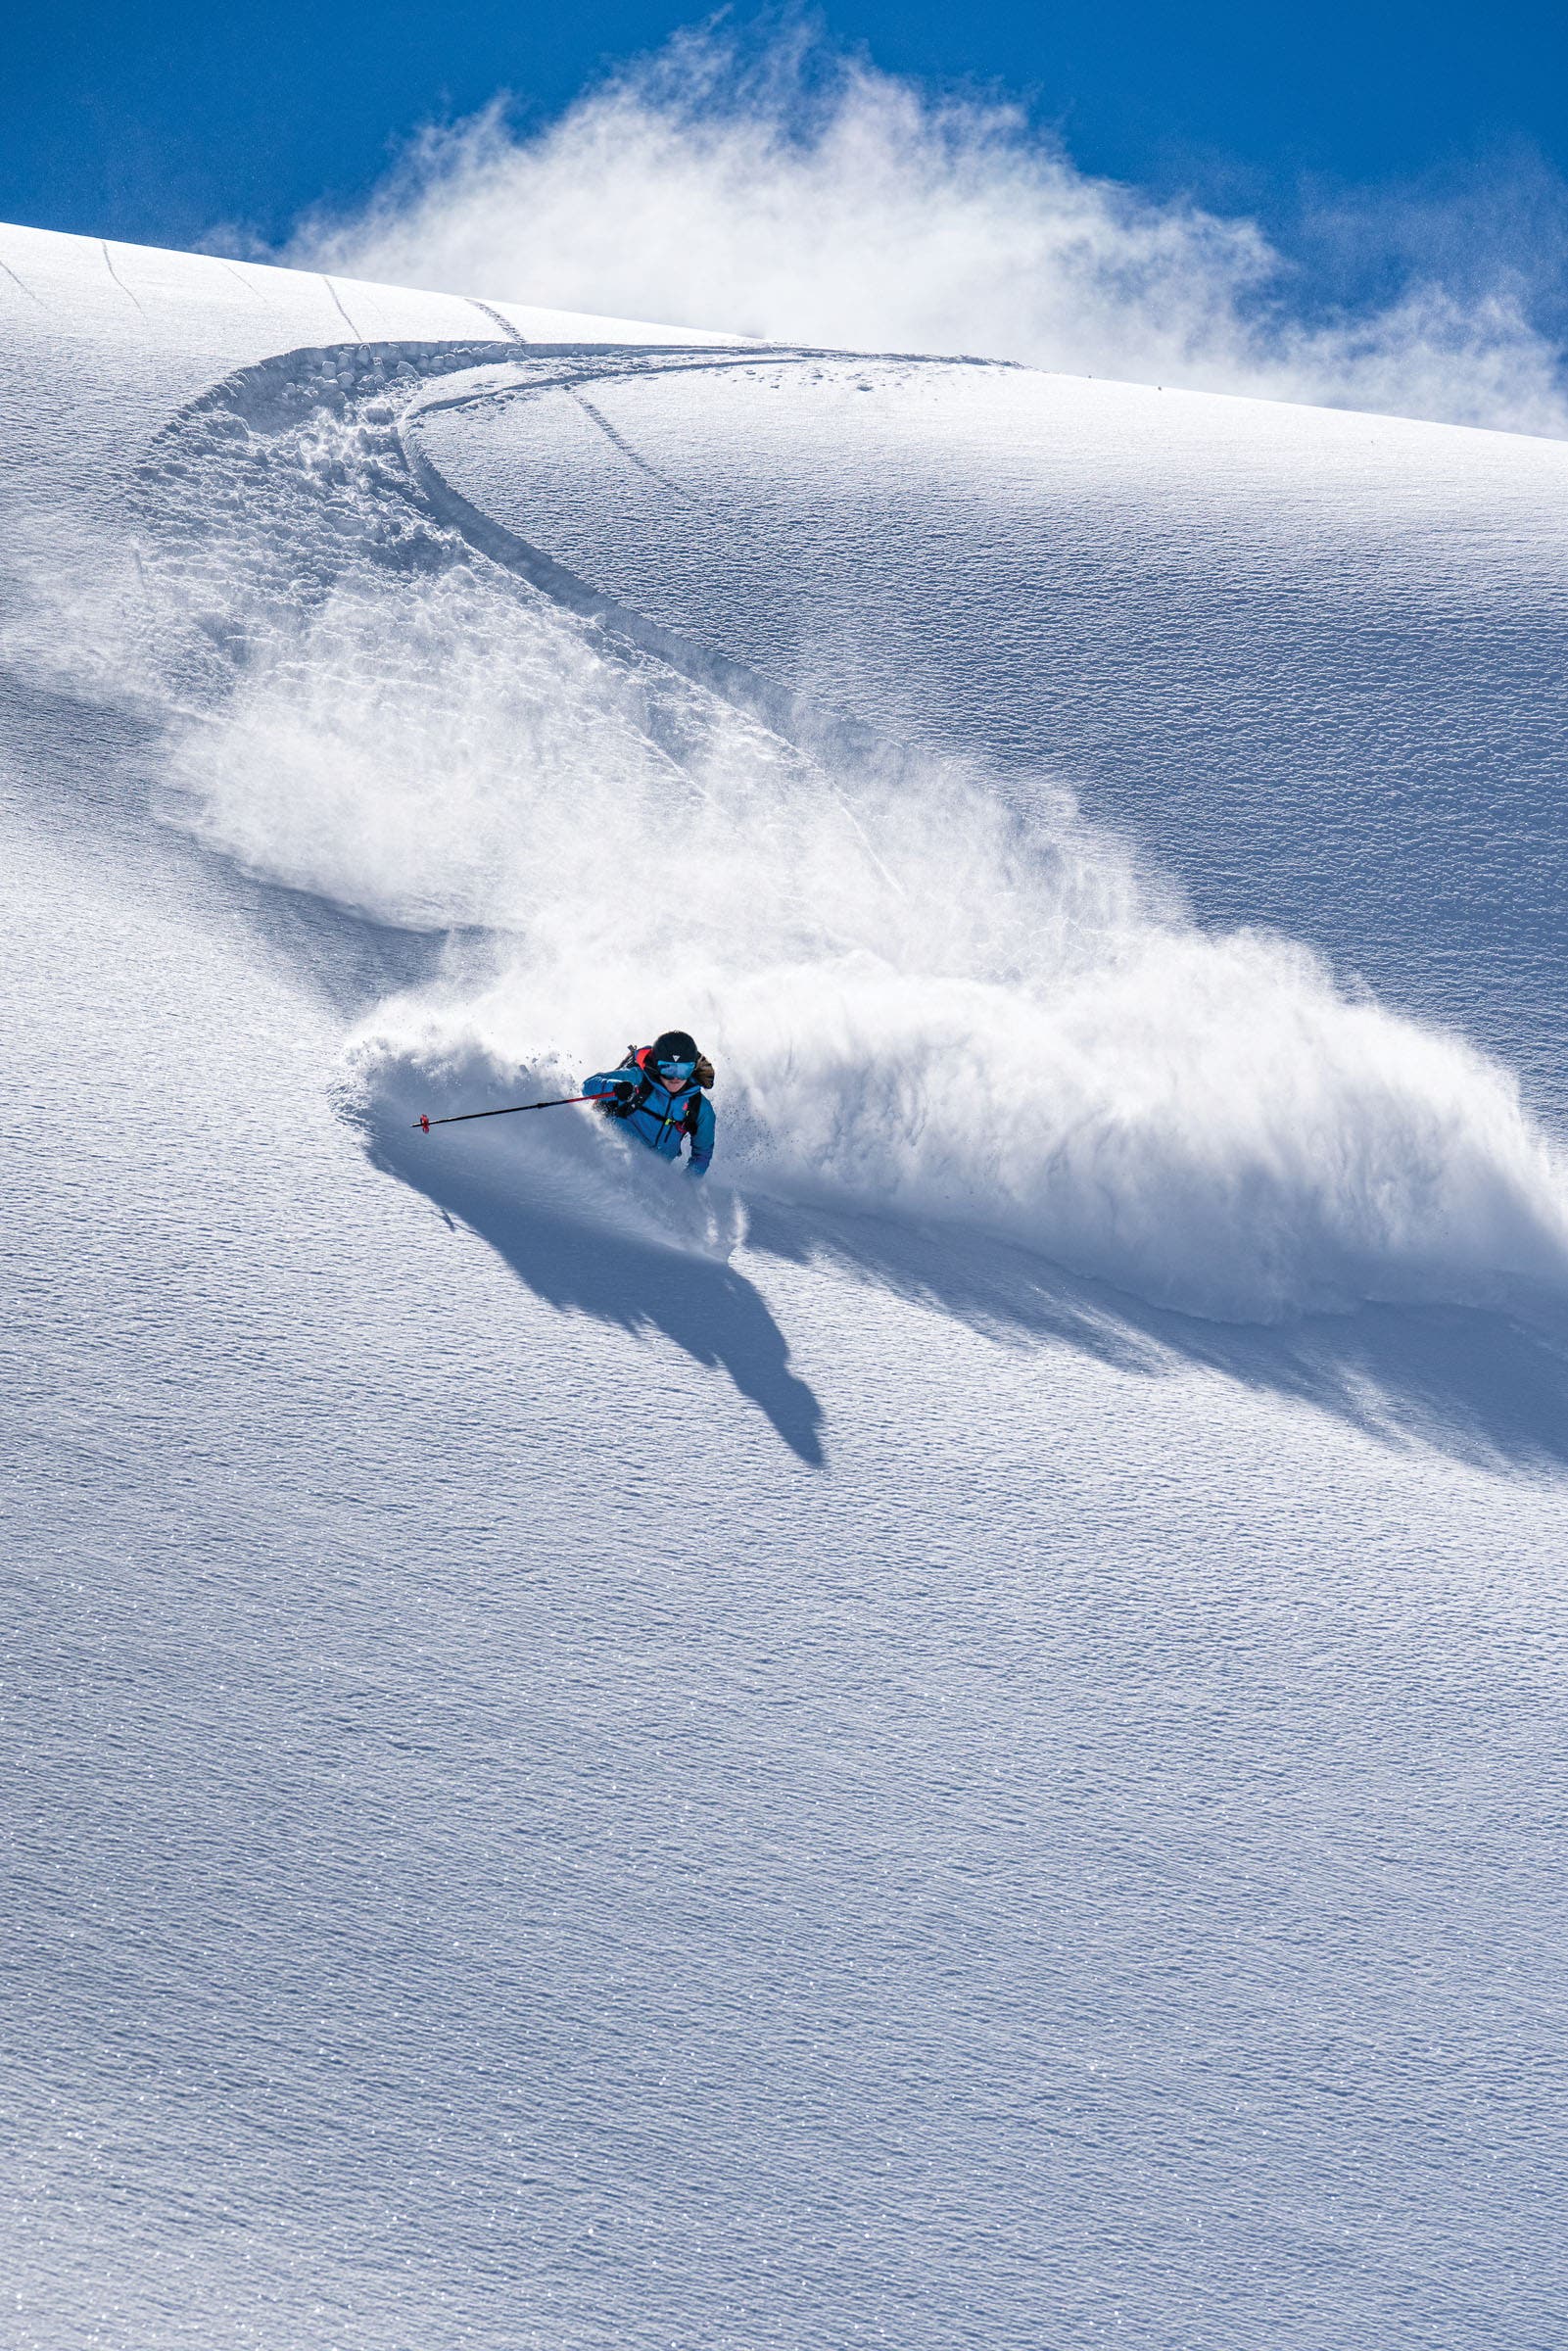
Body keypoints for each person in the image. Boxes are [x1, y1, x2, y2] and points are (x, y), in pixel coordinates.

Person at [583, 1030, 716, 1177]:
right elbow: (588, 1086)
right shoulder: (639, 1078)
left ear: (692, 1069)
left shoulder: (700, 1107)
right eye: (668, 1068)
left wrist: (685, 1187)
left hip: (650, 1177)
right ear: (657, 1066)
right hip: (607, 1153)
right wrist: (615, 1087)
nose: (675, 1078)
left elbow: (702, 1156)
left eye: (683, 1070)